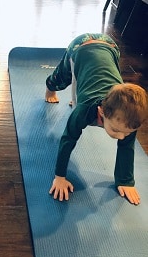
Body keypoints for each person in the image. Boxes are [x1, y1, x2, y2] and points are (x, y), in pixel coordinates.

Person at [45, 33, 147, 205]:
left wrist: (125, 180)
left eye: (126, 133)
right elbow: (68, 139)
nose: (121, 137)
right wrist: (59, 177)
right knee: (63, 78)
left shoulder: (128, 118)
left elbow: (127, 147)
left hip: (111, 48)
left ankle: (75, 97)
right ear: (101, 112)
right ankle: (49, 88)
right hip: (80, 48)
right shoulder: (85, 111)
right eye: (115, 130)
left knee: (87, 83)